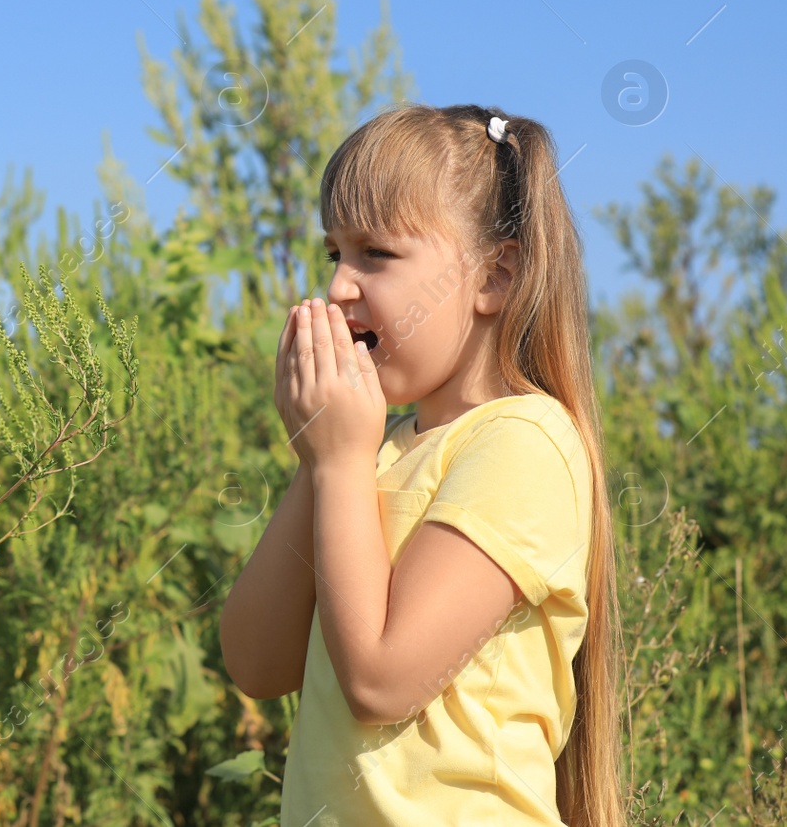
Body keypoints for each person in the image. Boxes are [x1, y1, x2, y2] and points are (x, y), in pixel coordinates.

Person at [218, 103, 626, 827]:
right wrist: (321, 460)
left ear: (493, 277)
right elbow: (256, 661)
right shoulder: (369, 452)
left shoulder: (527, 443)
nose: (340, 285)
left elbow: (381, 679)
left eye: (375, 254)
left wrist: (341, 462)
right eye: (333, 254)